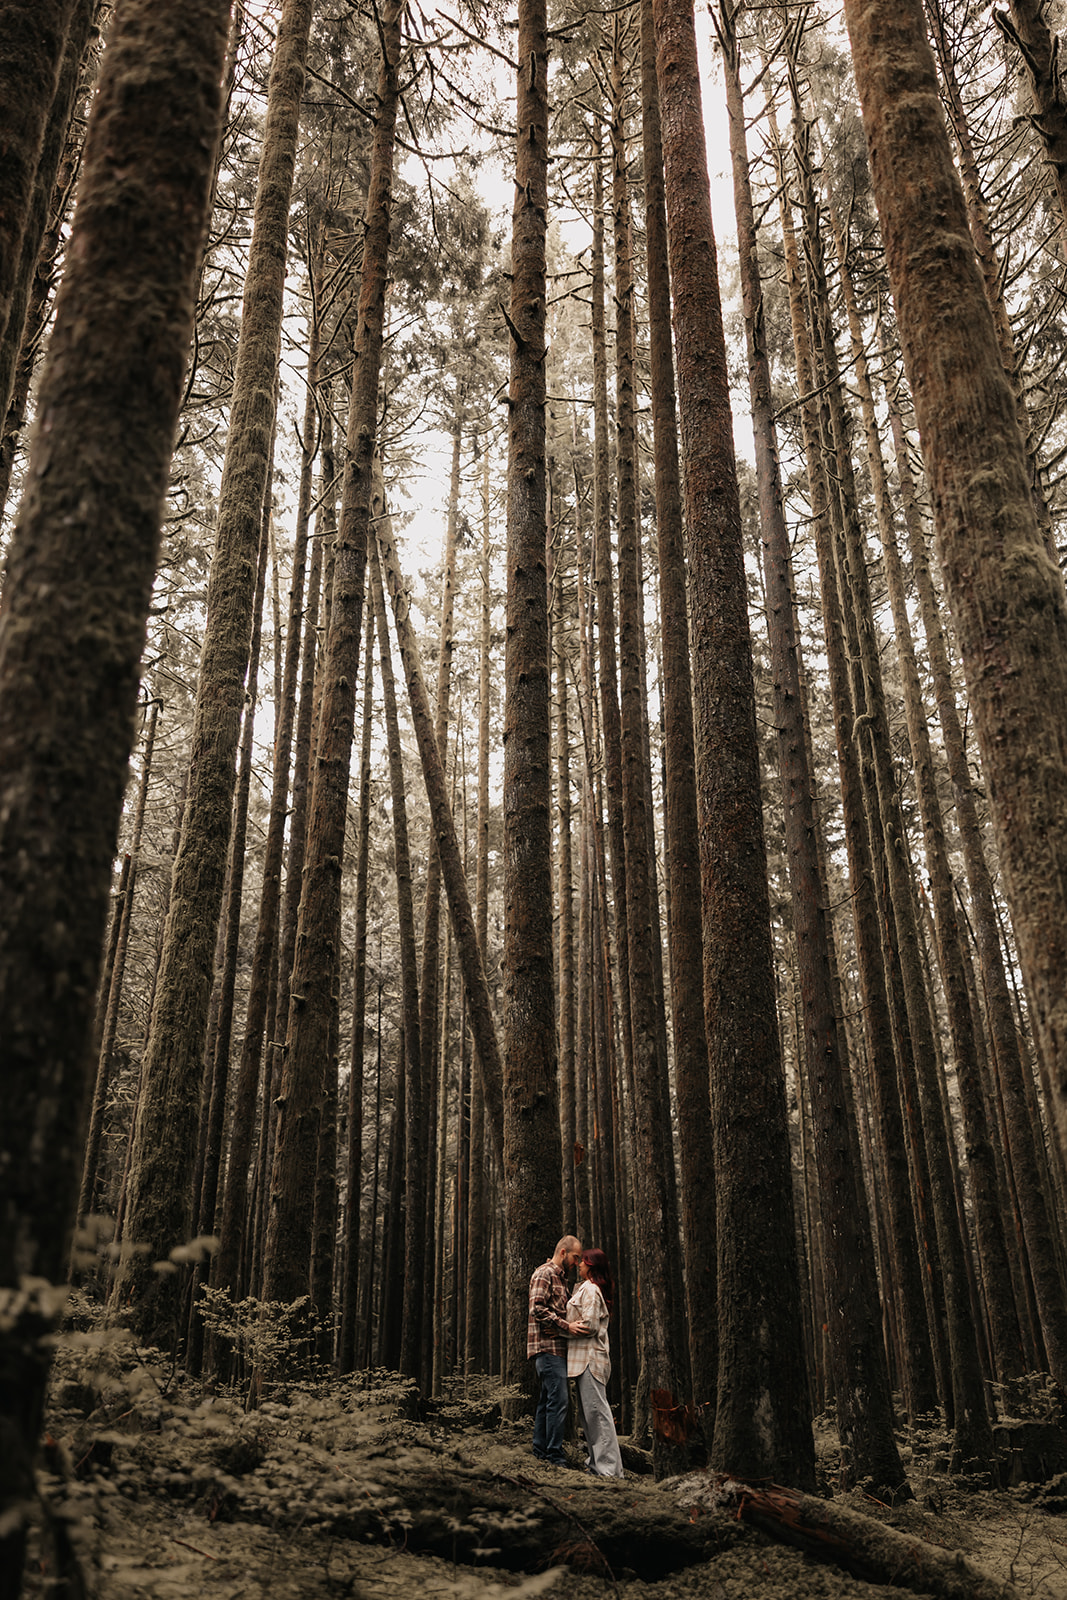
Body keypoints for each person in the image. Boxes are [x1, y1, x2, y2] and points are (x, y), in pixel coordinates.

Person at [527, 1235, 587, 1465]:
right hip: (547, 1349)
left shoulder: (561, 1278)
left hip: (557, 1349)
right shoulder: (545, 1273)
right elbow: (536, 1308)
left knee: (548, 1401)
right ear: (563, 1252)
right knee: (559, 1400)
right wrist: (566, 1327)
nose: (576, 1262)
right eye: (575, 1257)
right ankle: (554, 1456)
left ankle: (541, 1451)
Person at [565, 1248, 624, 1478]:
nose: (579, 1264)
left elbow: (589, 1325)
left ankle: (608, 1471)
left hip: (591, 1360)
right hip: (584, 1361)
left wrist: (563, 1330)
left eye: (584, 1261)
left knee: (597, 1414)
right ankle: (599, 1466)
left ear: (592, 1266)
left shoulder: (591, 1289)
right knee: (589, 1416)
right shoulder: (585, 1288)